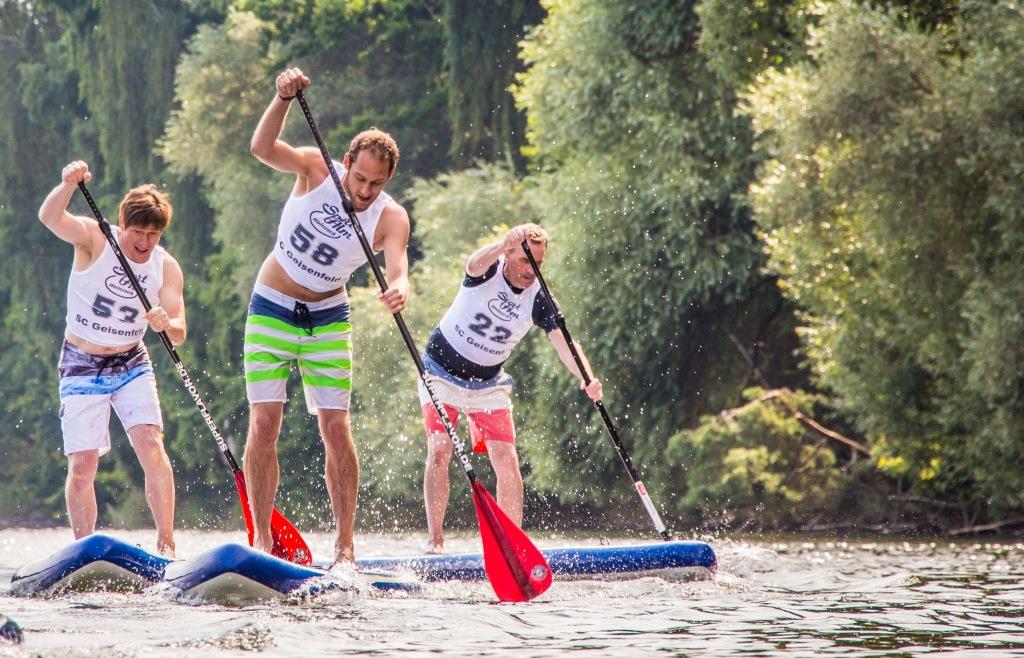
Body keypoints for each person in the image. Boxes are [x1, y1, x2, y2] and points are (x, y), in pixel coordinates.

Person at [245, 67, 410, 565]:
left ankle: (344, 547)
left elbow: (399, 267)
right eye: (359, 178)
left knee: (337, 428)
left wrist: (400, 288)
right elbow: (261, 147)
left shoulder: (390, 217)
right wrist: (282, 99)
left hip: (328, 316)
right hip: (271, 306)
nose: (364, 191)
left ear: (388, 181)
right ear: (346, 164)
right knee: (264, 424)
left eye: (375, 184)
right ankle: (263, 541)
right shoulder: (315, 168)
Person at [420, 223, 603, 553]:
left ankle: (511, 547)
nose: (531, 271)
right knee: (440, 448)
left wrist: (586, 378)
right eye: (524, 261)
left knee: (506, 459)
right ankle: (435, 543)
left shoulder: (540, 299)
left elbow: (565, 344)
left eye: (538, 264)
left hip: (488, 384)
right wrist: (502, 243)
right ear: (508, 255)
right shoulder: (487, 269)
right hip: (440, 372)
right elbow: (472, 263)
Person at [38, 161, 186, 557]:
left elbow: (179, 331)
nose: (144, 242)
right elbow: (49, 217)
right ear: (122, 225)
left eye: (153, 234)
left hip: (131, 363)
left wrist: (164, 321)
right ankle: (83, 551)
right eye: (138, 232)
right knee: (84, 464)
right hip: (80, 362)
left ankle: (166, 545)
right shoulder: (94, 238)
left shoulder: (166, 267)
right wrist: (68, 183)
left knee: (150, 443)